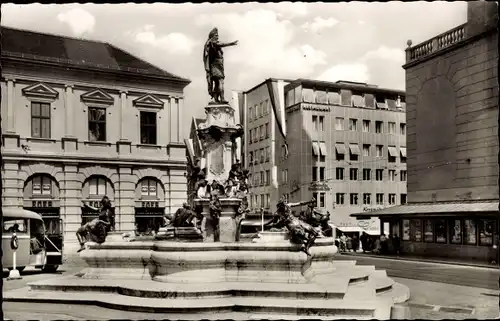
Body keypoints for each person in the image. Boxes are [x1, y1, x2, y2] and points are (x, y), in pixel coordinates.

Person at [203, 27, 238, 103]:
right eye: (216, 35)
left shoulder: (210, 44)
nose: (217, 37)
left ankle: (216, 99)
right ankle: (222, 98)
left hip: (216, 66)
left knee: (216, 83)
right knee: (220, 81)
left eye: (217, 35)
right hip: (216, 66)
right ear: (212, 36)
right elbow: (220, 44)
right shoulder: (212, 43)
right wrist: (231, 43)